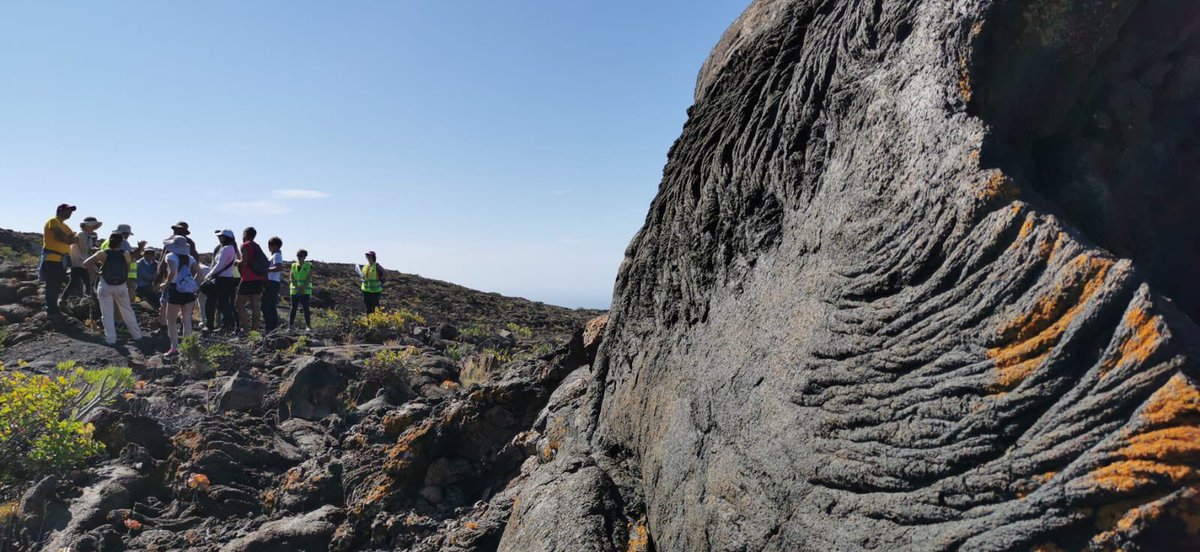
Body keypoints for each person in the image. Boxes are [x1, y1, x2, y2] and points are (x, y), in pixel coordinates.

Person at [84, 233, 144, 346]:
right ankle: (137, 335)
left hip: (105, 285)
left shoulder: (102, 253)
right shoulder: (125, 253)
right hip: (121, 285)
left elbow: (86, 263)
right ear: (121, 243)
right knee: (127, 311)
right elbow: (128, 266)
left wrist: (96, 272)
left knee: (107, 313)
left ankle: (111, 339)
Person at [161, 236, 199, 357]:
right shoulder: (190, 258)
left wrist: (165, 285)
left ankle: (174, 349)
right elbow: (201, 273)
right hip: (188, 291)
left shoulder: (170, 256)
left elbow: (172, 272)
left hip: (175, 290)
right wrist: (194, 285)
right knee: (187, 319)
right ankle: (188, 347)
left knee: (171, 321)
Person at [40, 204, 77, 317]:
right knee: (52, 285)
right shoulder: (53, 221)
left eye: (71, 211)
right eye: (68, 210)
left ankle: (53, 307)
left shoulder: (64, 226)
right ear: (60, 210)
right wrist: (68, 239)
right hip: (52, 259)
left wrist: (68, 239)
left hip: (61, 260)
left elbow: (74, 238)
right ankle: (51, 309)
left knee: (57, 284)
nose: (70, 213)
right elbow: (66, 239)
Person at [202, 229, 240, 332]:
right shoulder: (230, 248)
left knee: (212, 302)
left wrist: (209, 275)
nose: (219, 238)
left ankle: (211, 325)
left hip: (222, 279)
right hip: (225, 279)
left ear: (226, 237)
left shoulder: (227, 248)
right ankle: (227, 325)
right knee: (223, 303)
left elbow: (219, 264)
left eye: (221, 236)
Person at [62, 216, 102, 304]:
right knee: (87, 283)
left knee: (74, 283)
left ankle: (63, 300)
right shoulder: (81, 234)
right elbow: (84, 249)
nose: (94, 228)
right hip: (79, 262)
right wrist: (93, 251)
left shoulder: (88, 236)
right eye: (93, 226)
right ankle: (90, 302)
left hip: (81, 263)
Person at [235, 227, 268, 332]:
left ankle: (245, 329)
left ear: (245, 234)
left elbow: (244, 262)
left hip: (248, 278)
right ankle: (254, 330)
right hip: (259, 279)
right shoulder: (256, 246)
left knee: (239, 304)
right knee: (255, 304)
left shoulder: (245, 245)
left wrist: (236, 262)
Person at [100, 224, 146, 296]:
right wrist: (140, 248)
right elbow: (130, 256)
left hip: (108, 273)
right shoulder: (123, 241)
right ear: (125, 233)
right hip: (123, 274)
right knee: (125, 298)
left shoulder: (106, 242)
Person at [262, 236, 284, 332]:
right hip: (271, 282)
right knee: (270, 305)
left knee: (266, 305)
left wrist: (266, 269)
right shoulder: (274, 255)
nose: (268, 247)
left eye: (269, 245)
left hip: (272, 283)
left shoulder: (277, 256)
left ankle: (270, 326)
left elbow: (278, 267)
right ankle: (271, 326)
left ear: (274, 246)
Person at [289, 249, 313, 330]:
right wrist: (297, 287)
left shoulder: (309, 265)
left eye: (301, 256)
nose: (299, 257)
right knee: (293, 308)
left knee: (305, 307)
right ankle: (290, 326)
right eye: (298, 256)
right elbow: (291, 277)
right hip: (295, 289)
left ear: (305, 256)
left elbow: (309, 278)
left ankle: (308, 326)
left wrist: (302, 288)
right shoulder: (293, 265)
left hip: (305, 290)